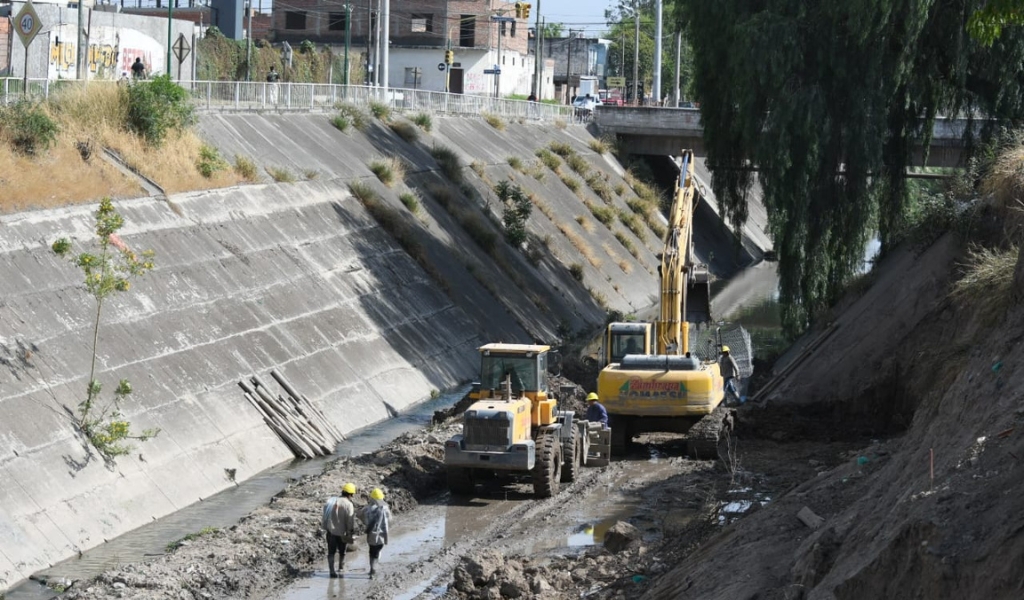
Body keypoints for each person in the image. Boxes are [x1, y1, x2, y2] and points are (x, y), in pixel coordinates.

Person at [322, 482, 357, 578]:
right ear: (351, 494)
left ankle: (332, 571)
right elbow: (350, 521)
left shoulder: (330, 501)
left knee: (331, 552)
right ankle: (341, 567)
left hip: (331, 532)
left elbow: (325, 517)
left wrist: (325, 528)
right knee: (342, 551)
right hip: (342, 533)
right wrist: (350, 532)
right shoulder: (349, 505)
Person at [358, 488, 391, 579]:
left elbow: (359, 515)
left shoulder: (367, 509)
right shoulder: (385, 509)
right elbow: (389, 519)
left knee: (371, 552)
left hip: (371, 534)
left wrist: (366, 522)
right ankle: (373, 570)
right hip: (381, 535)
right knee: (377, 552)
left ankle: (372, 569)